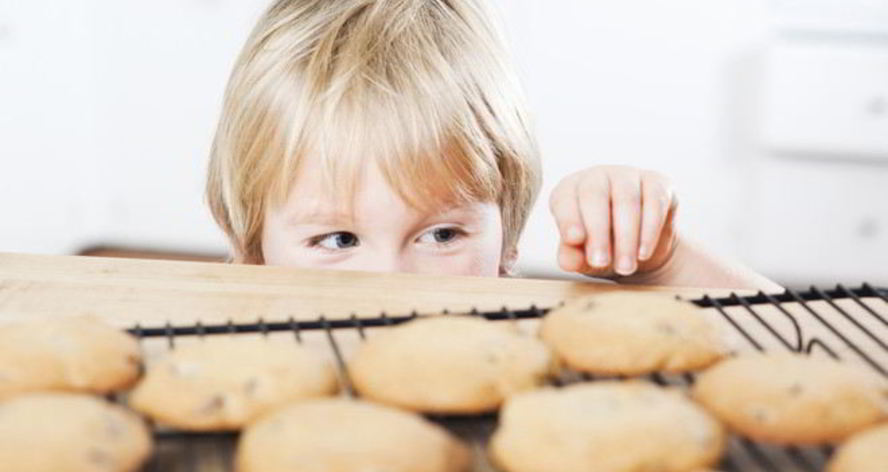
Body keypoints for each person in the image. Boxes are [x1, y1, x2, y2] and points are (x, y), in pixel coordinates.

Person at [206, 0, 780, 291]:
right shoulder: (230, 359)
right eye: (338, 238)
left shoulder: (515, 339)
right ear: (251, 248)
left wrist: (665, 262)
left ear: (506, 232)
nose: (391, 283)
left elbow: (808, 344)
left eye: (442, 234)